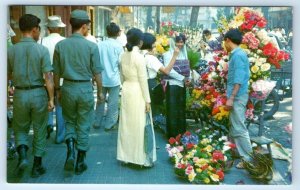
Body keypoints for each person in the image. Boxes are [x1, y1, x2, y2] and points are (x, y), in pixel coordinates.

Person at [53, 9, 104, 175]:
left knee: (69, 122)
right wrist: (101, 93)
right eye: (88, 27)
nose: (88, 30)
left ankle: (70, 152)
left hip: (67, 87)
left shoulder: (60, 45)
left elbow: (56, 72)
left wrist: (58, 90)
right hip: (84, 89)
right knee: (83, 124)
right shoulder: (91, 46)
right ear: (83, 26)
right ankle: (80, 161)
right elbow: (97, 72)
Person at [7, 14, 54, 177]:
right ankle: (37, 166)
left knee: (20, 127)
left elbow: (6, 76)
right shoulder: (42, 50)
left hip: (19, 94)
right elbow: (48, 77)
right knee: (39, 128)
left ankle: (22, 156)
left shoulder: (11, 50)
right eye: (39, 30)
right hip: (38, 93)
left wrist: (7, 95)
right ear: (35, 30)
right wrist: (51, 99)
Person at [117, 28, 156, 167]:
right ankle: (140, 159)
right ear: (140, 42)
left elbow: (121, 77)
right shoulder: (139, 57)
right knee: (140, 124)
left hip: (127, 89)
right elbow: (143, 80)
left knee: (126, 125)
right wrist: (148, 100)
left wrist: (126, 85)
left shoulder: (122, 55)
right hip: (138, 91)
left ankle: (126, 156)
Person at [223, 29, 253, 169]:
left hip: (238, 96)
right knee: (235, 125)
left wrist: (232, 97)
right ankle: (240, 154)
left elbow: (239, 79)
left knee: (239, 127)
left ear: (228, 40)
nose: (224, 45)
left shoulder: (238, 55)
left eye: (225, 42)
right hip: (236, 95)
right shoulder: (236, 54)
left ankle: (248, 159)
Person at [140, 33, 179, 128]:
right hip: (150, 83)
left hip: (141, 83)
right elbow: (166, 71)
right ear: (149, 44)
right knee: (153, 107)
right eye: (153, 43)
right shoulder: (151, 58)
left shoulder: (140, 54)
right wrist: (174, 56)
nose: (155, 45)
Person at [38, 15, 66, 143]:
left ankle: (48, 126)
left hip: (44, 80)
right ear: (59, 29)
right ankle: (60, 136)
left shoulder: (41, 41)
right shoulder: (65, 42)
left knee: (47, 106)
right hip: (61, 80)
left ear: (48, 28)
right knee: (60, 108)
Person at [94, 22, 124, 131]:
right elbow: (121, 64)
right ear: (117, 33)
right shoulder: (119, 46)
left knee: (100, 100)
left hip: (101, 78)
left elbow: (95, 62)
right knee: (113, 103)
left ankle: (97, 121)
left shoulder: (99, 45)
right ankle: (109, 124)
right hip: (114, 79)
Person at [163, 33, 190, 138]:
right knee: (172, 110)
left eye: (182, 42)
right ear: (173, 42)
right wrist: (182, 78)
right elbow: (169, 71)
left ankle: (181, 133)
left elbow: (187, 68)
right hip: (173, 85)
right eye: (178, 42)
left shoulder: (184, 54)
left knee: (181, 109)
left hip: (182, 85)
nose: (180, 44)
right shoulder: (167, 54)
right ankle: (172, 135)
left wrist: (189, 79)